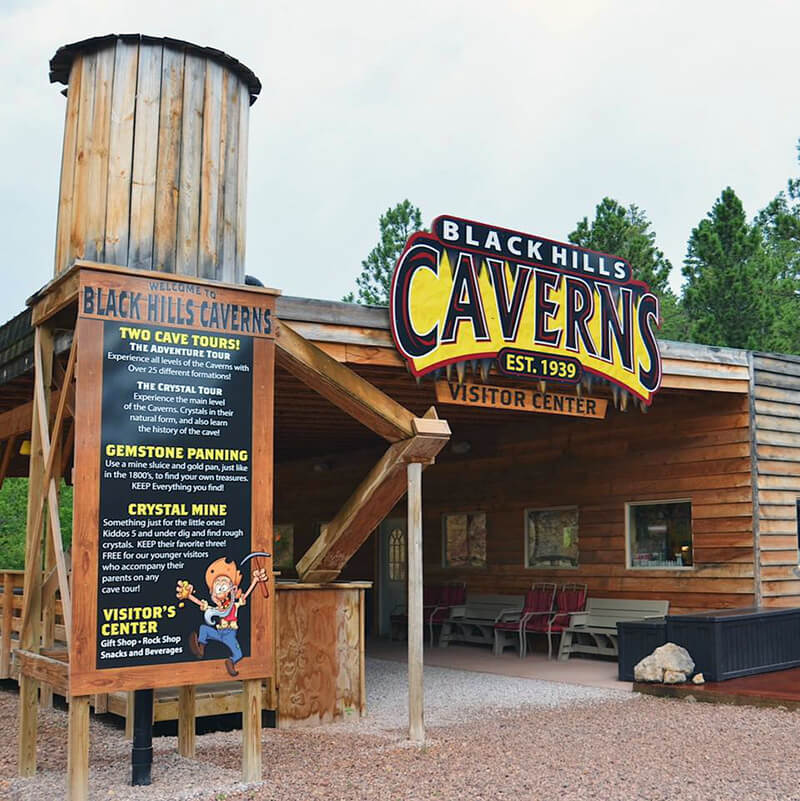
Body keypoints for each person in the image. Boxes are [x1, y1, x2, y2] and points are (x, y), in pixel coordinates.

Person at [177, 556, 267, 676]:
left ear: (232, 589)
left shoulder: (234, 604)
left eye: (223, 587)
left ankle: (231, 662)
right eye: (217, 588)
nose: (220, 590)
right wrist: (188, 596)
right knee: (204, 629)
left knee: (239, 654)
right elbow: (200, 603)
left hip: (230, 634)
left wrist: (255, 580)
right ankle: (200, 650)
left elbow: (247, 594)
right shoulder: (215, 609)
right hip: (219, 632)